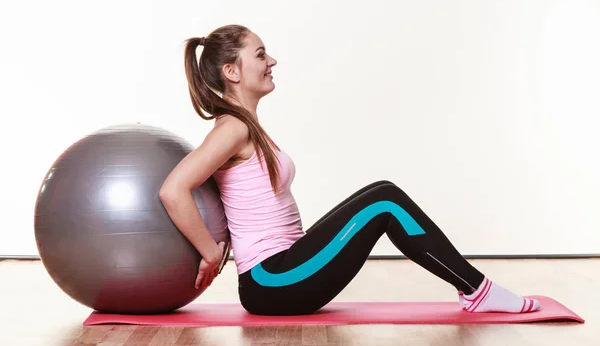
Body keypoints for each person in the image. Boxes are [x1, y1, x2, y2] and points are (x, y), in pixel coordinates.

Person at [159, 24, 541, 316]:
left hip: (285, 268)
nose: (271, 61)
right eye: (260, 55)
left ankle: (474, 290)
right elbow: (174, 189)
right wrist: (211, 254)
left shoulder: (245, 125)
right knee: (385, 201)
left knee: (382, 192)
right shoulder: (233, 128)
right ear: (232, 71)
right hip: (271, 280)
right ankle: (477, 290)